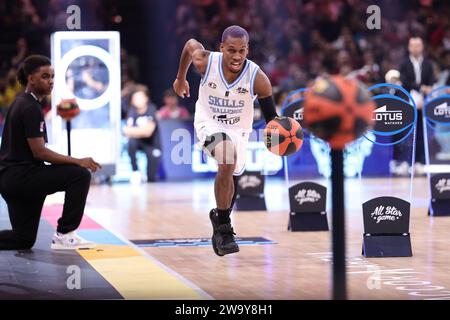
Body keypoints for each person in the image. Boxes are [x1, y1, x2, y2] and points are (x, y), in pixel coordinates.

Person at [173, 25, 279, 256]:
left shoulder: (258, 78)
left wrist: (284, 133)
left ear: (248, 49)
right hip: (208, 124)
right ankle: (224, 228)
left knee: (230, 175)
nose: (237, 56)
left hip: (239, 131)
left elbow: (272, 120)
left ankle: (219, 215)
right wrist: (180, 78)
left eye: (242, 50)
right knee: (226, 158)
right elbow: (190, 43)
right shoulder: (205, 62)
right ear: (222, 48)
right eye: (231, 50)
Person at [0, 55, 101, 250]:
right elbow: (40, 153)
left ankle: (62, 235)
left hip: (10, 180)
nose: (51, 81)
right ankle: (65, 235)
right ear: (31, 79)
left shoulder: (22, 102)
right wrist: (78, 161)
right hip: (22, 178)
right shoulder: (30, 107)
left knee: (24, 239)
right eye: (45, 76)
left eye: (52, 76)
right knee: (79, 175)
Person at [399, 37, 436, 175]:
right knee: (406, 133)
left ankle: (420, 162)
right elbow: (404, 81)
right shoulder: (404, 63)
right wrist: (421, 88)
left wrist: (428, 89)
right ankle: (405, 162)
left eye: (418, 45)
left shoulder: (428, 64)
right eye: (413, 46)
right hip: (408, 101)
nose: (415, 48)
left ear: (422, 47)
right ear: (409, 47)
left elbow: (432, 80)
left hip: (424, 102)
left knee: (422, 132)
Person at [123, 85, 161, 183]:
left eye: (140, 97)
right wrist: (142, 131)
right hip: (138, 143)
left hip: (152, 145)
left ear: (146, 99)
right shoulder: (132, 111)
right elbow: (126, 131)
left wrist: (135, 131)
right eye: (135, 98)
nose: (137, 100)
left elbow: (148, 132)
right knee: (131, 143)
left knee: (151, 177)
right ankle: (135, 171)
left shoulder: (151, 109)